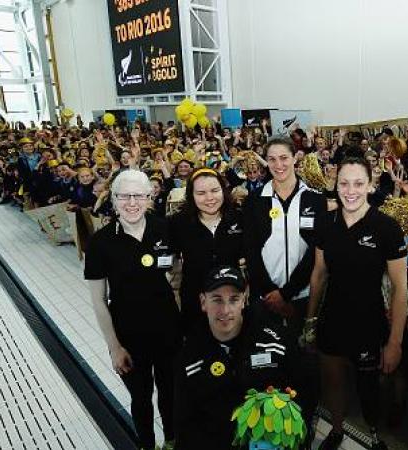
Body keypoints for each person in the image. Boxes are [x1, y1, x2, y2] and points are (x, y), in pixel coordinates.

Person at [307, 157, 408, 450]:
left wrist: (395, 342)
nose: (351, 190)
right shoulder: (326, 222)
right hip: (332, 320)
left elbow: (401, 289)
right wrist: (310, 321)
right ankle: (336, 431)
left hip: (369, 323)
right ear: (335, 185)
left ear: (370, 185)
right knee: (333, 382)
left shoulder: (386, 227)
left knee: (369, 389)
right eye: (344, 183)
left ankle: (374, 435)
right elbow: (319, 274)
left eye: (358, 183)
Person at [85, 170, 179, 450]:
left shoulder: (165, 229)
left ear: (150, 198)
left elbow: (178, 272)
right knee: (140, 398)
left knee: (170, 394)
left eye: (139, 195)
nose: (132, 202)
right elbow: (99, 300)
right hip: (129, 335)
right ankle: (146, 445)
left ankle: (172, 441)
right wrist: (114, 347)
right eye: (124, 196)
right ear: (112, 199)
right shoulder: (100, 242)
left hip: (168, 330)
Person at [173, 266, 303, 449]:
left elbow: (300, 397)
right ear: (203, 302)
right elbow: (183, 424)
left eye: (233, 299)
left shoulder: (277, 343)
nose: (226, 310)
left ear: (244, 299)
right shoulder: (188, 358)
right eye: (217, 300)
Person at [243, 137, 327, 330]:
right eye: (272, 159)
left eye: (284, 158)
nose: (278, 165)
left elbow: (315, 252)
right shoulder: (254, 201)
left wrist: (287, 293)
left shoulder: (315, 200)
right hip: (265, 297)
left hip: (303, 296)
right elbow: (250, 250)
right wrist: (270, 292)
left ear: (295, 158)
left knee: (302, 356)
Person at [169, 168, 244, 336]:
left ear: (223, 191)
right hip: (194, 301)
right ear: (191, 195)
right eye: (201, 193)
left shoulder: (238, 218)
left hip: (231, 301)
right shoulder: (178, 223)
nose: (209, 198)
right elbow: (170, 258)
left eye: (215, 191)